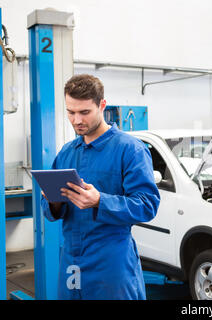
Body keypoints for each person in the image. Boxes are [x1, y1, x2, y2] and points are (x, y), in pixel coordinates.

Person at [41, 74, 160, 300]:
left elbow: (147, 205)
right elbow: (50, 210)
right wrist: (53, 201)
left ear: (102, 105)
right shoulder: (66, 152)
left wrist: (100, 201)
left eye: (84, 112)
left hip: (111, 261)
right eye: (71, 112)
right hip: (71, 258)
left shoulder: (130, 149)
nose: (77, 120)